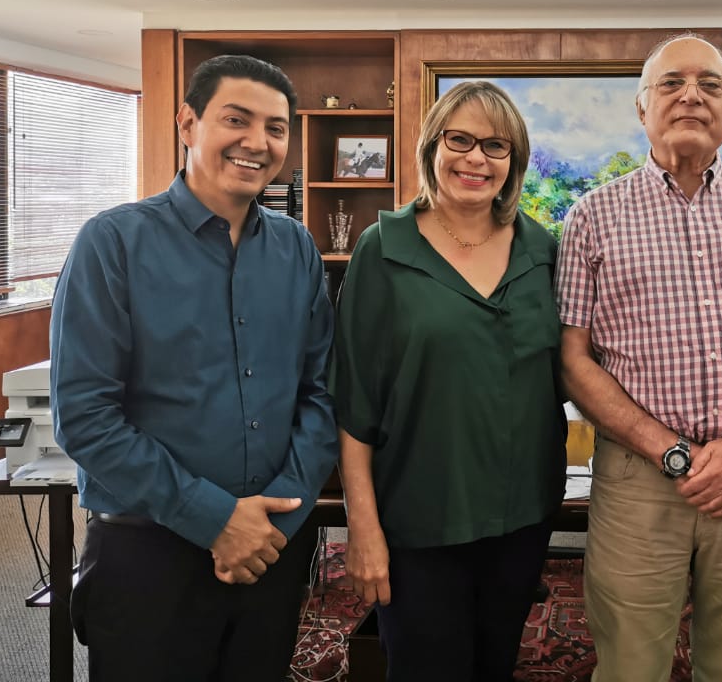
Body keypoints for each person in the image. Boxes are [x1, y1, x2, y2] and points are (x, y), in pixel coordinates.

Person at [50, 54, 338, 682]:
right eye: (236, 119)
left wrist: (273, 526)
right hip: (148, 551)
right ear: (188, 122)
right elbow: (85, 417)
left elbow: (321, 395)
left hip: (271, 551)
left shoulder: (297, 250)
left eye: (276, 128)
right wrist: (215, 521)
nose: (257, 143)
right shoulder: (112, 243)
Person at [555, 33, 722, 682]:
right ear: (642, 108)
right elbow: (573, 357)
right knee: (629, 667)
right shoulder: (593, 215)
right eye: (672, 83)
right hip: (639, 480)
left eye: (710, 85)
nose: (691, 96)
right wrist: (668, 450)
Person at [331, 80, 565, 682]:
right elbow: (355, 403)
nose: (476, 159)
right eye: (459, 140)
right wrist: (363, 527)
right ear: (432, 146)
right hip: (419, 519)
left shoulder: (542, 250)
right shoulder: (382, 249)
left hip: (521, 516)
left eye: (496, 145)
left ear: (513, 161)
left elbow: (566, 372)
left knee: (494, 667)